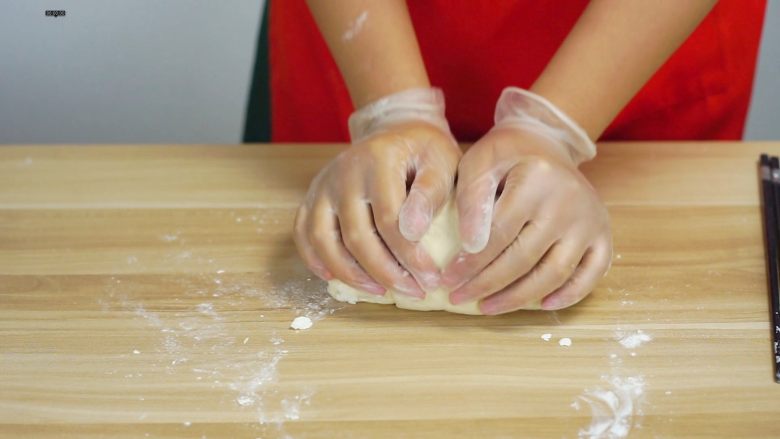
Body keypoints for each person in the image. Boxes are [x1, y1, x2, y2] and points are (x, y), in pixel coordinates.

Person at [272, 1, 766, 314]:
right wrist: (392, 109)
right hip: (368, 35)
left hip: (639, 40)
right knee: (373, 213)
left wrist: (556, 127)